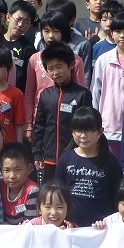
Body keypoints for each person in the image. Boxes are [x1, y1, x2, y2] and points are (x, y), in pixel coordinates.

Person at [31, 43, 92, 183]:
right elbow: (39, 125)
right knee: (50, 194)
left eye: (59, 66)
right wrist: (37, 154)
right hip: (49, 158)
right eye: (50, 68)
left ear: (71, 65)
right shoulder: (46, 95)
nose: (55, 72)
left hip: (74, 156)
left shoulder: (82, 94)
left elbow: (87, 126)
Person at [57, 107, 123, 228]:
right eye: (78, 130)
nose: (83, 135)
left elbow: (118, 196)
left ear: (100, 132)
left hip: (101, 226)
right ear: (72, 131)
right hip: (71, 225)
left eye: (88, 130)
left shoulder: (110, 161)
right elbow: (58, 193)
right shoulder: (65, 159)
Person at [91, 10, 124, 159]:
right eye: (118, 31)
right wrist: (96, 123)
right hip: (109, 126)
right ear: (111, 33)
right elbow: (96, 91)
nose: (122, 36)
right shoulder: (103, 60)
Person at [25, 11, 87, 131]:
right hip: (41, 122)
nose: (51, 36)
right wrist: (28, 125)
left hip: (69, 122)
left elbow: (80, 93)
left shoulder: (76, 60)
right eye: (46, 31)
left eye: (56, 31)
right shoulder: (34, 59)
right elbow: (29, 94)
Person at [1, 1, 37, 93]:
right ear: (8, 17)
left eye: (26, 22)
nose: (20, 24)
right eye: (18, 19)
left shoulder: (28, 48)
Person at [0, 143, 38, 225]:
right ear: (0, 170)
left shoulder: (32, 190)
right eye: (7, 170)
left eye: (18, 170)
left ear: (29, 169)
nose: (12, 176)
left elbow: (30, 223)